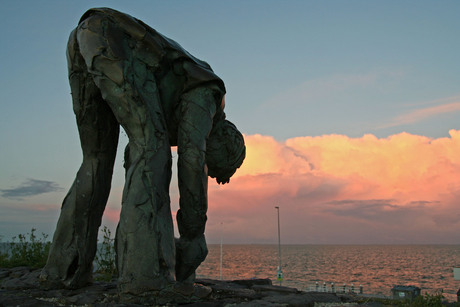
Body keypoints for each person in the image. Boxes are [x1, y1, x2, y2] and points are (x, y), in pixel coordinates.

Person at [40, 7, 245, 294]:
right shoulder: (209, 94)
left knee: (96, 159)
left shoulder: (189, 92)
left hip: (84, 36)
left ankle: (63, 271)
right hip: (112, 38)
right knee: (152, 148)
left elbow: (135, 154)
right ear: (223, 143)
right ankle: (146, 281)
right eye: (216, 168)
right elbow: (191, 158)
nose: (209, 173)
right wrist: (193, 234)